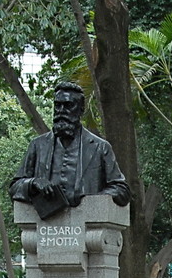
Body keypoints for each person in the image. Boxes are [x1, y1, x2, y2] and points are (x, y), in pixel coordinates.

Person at [9, 81, 130, 218]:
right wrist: (32, 183)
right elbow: (14, 188)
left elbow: (122, 190)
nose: (61, 111)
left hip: (86, 224)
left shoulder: (99, 147)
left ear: (81, 109)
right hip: (47, 225)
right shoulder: (38, 145)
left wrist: (94, 201)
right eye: (57, 105)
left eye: (68, 106)